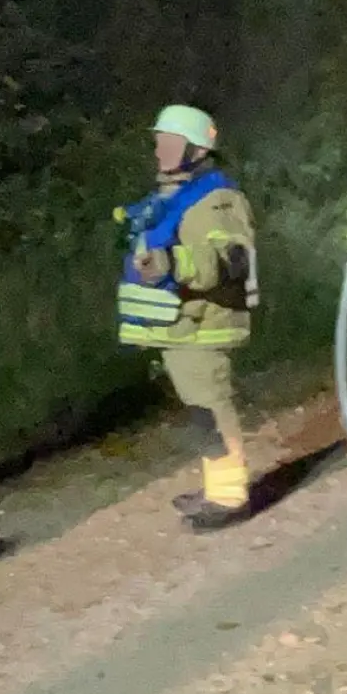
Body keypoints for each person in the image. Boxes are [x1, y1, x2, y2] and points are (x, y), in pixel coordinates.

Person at [115, 104, 259, 531]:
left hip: (205, 325)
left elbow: (229, 258)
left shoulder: (218, 200)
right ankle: (218, 487)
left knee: (211, 409)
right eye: (159, 141)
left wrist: (172, 263)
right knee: (201, 411)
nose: (160, 150)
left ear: (196, 150)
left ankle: (230, 496)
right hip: (182, 327)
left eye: (170, 142)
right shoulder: (173, 197)